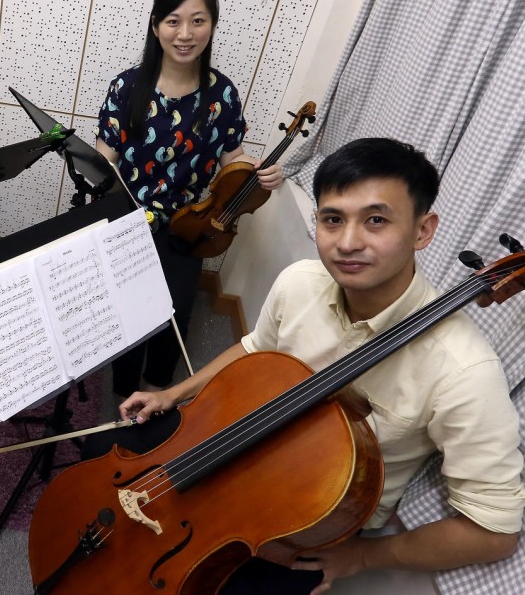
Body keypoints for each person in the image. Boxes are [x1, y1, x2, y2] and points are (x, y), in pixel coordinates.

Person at [84, 137, 525, 594]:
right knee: (102, 457)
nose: (348, 243)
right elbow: (254, 348)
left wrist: (363, 556)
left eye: (376, 220)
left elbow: (494, 533)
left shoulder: (465, 371)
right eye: (333, 219)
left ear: (422, 230)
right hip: (244, 432)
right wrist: (173, 394)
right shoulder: (299, 282)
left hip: (309, 513)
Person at [95, 0, 283, 397]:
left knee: (175, 312)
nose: (185, 34)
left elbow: (233, 160)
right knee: (129, 312)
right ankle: (123, 392)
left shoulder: (222, 95)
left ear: (212, 25)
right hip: (128, 217)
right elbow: (105, 157)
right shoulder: (127, 86)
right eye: (173, 21)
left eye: (198, 21)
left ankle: (159, 390)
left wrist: (260, 173)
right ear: (155, 26)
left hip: (189, 224)